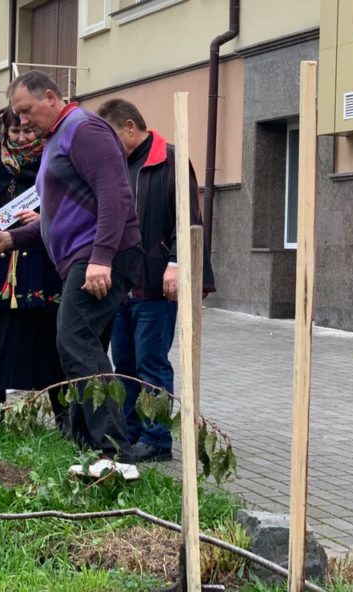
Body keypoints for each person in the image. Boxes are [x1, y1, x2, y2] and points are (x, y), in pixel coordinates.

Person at [0, 71, 146, 462]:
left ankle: (111, 446)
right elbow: (56, 218)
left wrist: (101, 258)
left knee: (73, 339)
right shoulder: (57, 138)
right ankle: (86, 440)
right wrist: (10, 240)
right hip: (84, 257)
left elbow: (115, 196)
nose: (22, 120)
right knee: (81, 343)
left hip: (100, 256)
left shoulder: (85, 130)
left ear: (50, 97)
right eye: (17, 114)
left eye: (26, 110)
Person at [97, 98, 216, 463]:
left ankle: (157, 438)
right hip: (122, 285)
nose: (108, 145)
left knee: (151, 363)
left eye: (111, 135)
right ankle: (131, 432)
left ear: (130, 126)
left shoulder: (171, 160)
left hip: (155, 284)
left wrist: (176, 263)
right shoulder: (117, 165)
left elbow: (190, 218)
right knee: (124, 364)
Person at [0, 108, 66, 426]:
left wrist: (44, 218)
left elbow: (70, 208)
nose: (21, 137)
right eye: (14, 131)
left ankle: (62, 415)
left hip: (40, 264)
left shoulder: (56, 162)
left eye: (27, 131)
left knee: (46, 339)